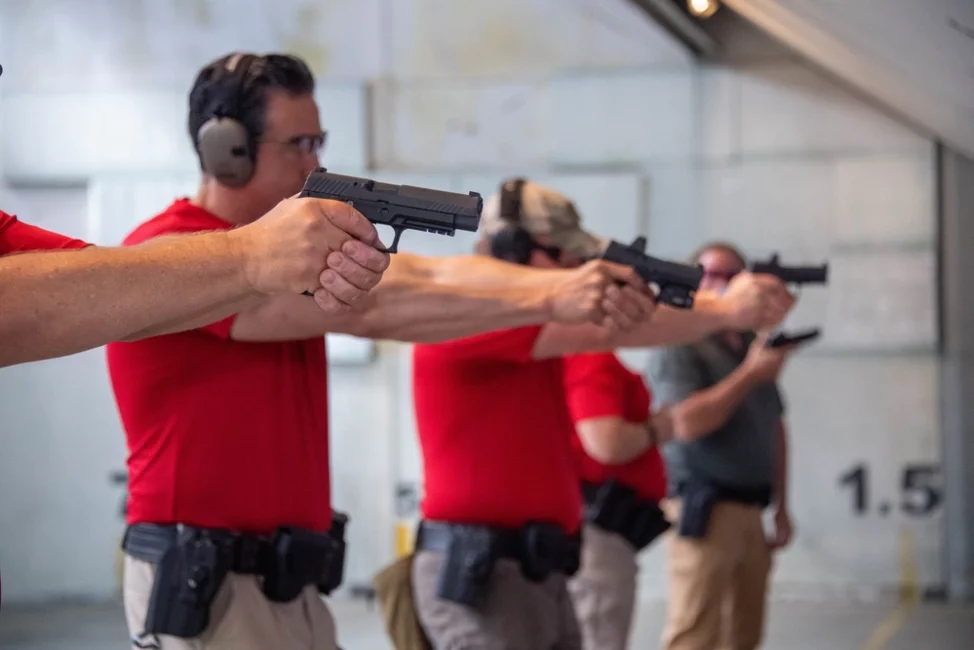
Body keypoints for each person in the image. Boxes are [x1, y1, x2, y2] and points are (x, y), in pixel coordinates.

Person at [105, 52, 656, 650]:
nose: (315, 163)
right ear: (226, 151)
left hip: (285, 580)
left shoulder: (276, 257)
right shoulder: (179, 251)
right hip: (208, 582)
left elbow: (418, 281)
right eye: (298, 144)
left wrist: (554, 292)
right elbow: (377, 305)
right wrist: (552, 294)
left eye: (319, 140)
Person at [406, 180, 796, 650]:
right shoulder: (472, 311)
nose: (575, 271)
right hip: (488, 572)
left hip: (537, 568)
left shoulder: (529, 329)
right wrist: (726, 308)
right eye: (564, 257)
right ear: (514, 248)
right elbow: (611, 326)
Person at [0, 196, 390, 368]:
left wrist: (254, 257)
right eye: (300, 143)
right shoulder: (176, 231)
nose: (311, 158)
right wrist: (251, 255)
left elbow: (98, 284)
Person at [645, 242, 797, 650]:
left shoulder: (751, 343)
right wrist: (748, 375)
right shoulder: (681, 340)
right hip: (705, 506)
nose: (722, 285)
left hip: (751, 507)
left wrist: (782, 505)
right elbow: (686, 423)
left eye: (732, 276)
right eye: (711, 275)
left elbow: (774, 426)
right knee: (695, 633)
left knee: (743, 634)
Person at [562, 350, 672, 650]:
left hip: (605, 531)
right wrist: (658, 428)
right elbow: (606, 442)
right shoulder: (591, 359)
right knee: (600, 636)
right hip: (598, 531)